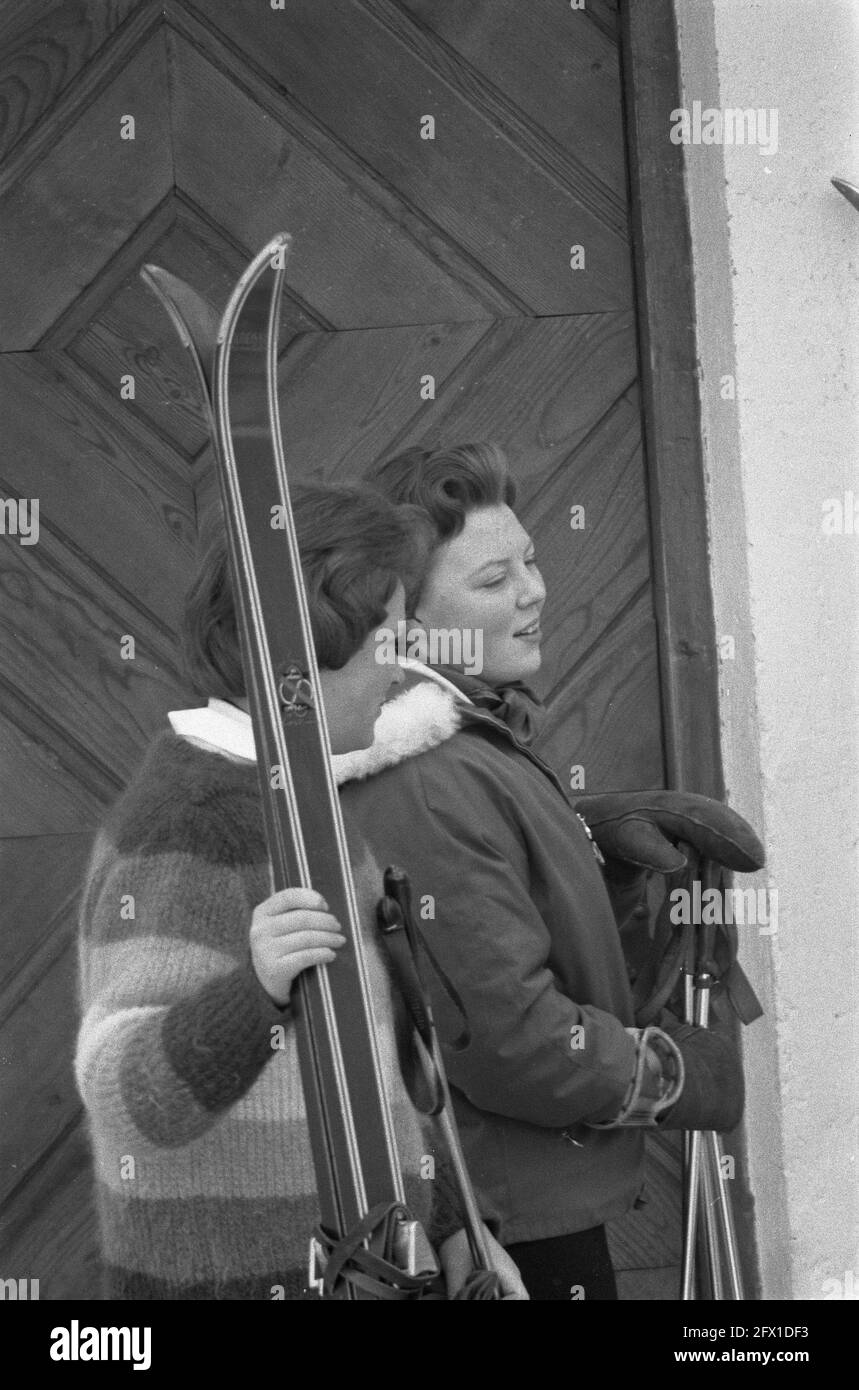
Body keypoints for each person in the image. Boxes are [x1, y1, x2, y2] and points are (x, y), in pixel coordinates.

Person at [74, 480, 526, 1301]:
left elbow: (372, 1068)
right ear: (308, 650)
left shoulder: (297, 797)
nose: (408, 661)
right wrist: (254, 996)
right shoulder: (191, 820)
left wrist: (455, 1222)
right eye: (389, 638)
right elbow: (125, 1096)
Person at [335, 442, 754, 1301]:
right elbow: (508, 1043)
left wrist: (599, 873)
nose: (534, 591)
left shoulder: (474, 736)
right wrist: (665, 1074)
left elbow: (485, 941)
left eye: (529, 560)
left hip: (531, 1199)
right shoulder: (421, 772)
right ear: (404, 619)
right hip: (500, 1230)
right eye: (492, 581)